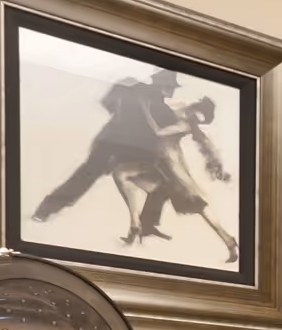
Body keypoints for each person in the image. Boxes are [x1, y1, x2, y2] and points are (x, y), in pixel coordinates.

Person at [31, 69, 179, 222]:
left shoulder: (130, 85)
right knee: (165, 183)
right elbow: (165, 135)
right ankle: (147, 223)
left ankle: (45, 210)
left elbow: (108, 102)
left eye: (172, 87)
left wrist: (120, 116)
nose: (172, 90)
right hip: (129, 150)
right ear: (161, 86)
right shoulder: (165, 111)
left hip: (112, 143)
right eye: (170, 86)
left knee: (86, 175)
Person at [113, 96, 238, 262]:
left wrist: (144, 108)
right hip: (160, 164)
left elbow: (157, 132)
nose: (195, 119)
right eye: (196, 114)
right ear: (195, 107)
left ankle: (229, 241)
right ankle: (135, 225)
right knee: (121, 173)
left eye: (198, 118)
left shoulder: (185, 125)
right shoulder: (180, 109)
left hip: (172, 170)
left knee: (198, 206)